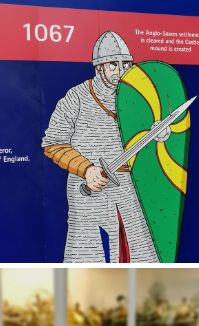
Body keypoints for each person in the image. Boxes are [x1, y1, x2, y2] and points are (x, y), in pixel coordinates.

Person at [41, 31, 158, 262]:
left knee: (139, 254)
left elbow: (144, 139)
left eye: (126, 64)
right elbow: (53, 143)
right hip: (89, 188)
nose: (121, 70)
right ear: (99, 67)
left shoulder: (137, 97)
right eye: (113, 64)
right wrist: (87, 169)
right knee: (89, 255)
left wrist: (160, 135)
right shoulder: (76, 97)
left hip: (129, 188)